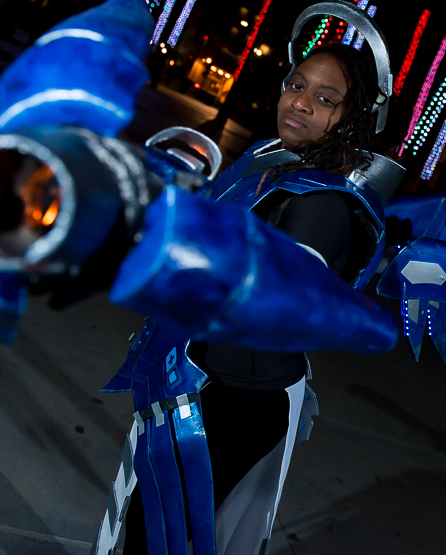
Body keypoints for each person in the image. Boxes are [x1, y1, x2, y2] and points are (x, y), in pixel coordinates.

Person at [121, 42, 390, 555]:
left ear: (352, 117)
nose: (301, 102)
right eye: (297, 85)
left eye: (325, 98)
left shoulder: (326, 202)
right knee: (153, 523)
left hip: (239, 401)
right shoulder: (271, 166)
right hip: (207, 376)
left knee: (157, 531)